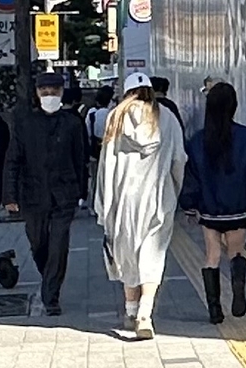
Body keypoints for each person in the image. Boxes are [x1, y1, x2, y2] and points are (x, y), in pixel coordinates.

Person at [94, 71, 187, 341]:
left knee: (126, 253)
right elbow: (179, 159)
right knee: (152, 254)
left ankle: (130, 310)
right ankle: (146, 313)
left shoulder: (116, 118)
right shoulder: (166, 118)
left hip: (123, 198)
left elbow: (105, 164)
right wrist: (175, 190)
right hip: (158, 196)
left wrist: (102, 202)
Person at [179, 81, 246, 324]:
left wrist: (189, 205)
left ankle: (214, 310)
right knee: (236, 251)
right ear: (234, 106)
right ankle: (238, 294)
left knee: (212, 255)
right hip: (238, 207)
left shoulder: (198, 140)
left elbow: (192, 177)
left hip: (210, 209)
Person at [4, 72, 88, 316]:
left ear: (62, 93)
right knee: (38, 243)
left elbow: (80, 159)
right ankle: (48, 277)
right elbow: (13, 160)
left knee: (59, 245)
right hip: (32, 195)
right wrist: (10, 196)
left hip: (65, 194)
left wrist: (82, 191)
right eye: (44, 92)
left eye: (54, 91)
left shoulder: (72, 123)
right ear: (37, 93)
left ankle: (51, 296)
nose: (49, 95)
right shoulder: (25, 122)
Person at [84, 86, 114, 215]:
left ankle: (94, 206)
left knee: (96, 180)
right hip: (111, 152)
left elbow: (88, 133)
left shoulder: (91, 113)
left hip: (95, 152)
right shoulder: (113, 113)